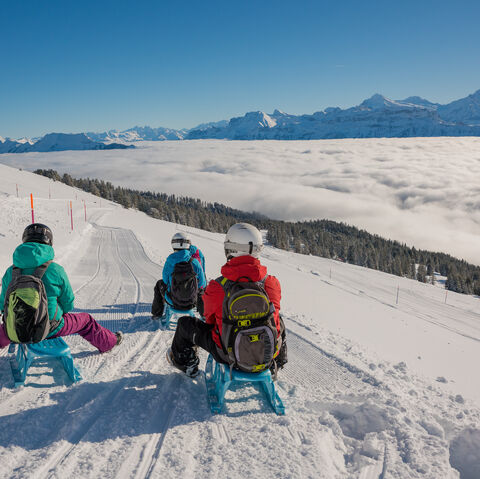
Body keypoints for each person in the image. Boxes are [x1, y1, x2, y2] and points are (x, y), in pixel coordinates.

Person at [167, 223, 287, 378]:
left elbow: (209, 320)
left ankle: (186, 363)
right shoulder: (271, 282)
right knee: (278, 319)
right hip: (267, 354)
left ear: (230, 249)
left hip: (227, 354)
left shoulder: (218, 286)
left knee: (185, 324)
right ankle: (277, 362)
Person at [0, 223, 122, 352]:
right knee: (86, 321)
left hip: (14, 329)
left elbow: (3, 305)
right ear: (49, 242)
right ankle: (110, 342)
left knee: (5, 330)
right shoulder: (55, 270)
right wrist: (56, 313)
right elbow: (68, 302)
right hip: (50, 328)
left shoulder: (11, 271)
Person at [151, 232, 207, 319]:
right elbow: (202, 283)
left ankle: (157, 314)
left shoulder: (169, 261)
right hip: (192, 301)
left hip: (173, 301)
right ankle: (204, 315)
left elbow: (165, 281)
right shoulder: (194, 262)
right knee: (202, 290)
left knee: (159, 283)